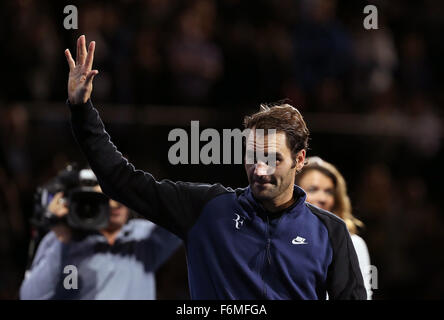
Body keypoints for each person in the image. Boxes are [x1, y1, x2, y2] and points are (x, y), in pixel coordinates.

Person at [64, 35, 365, 299]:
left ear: (299, 159)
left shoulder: (331, 231)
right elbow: (121, 180)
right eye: (252, 157)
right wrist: (82, 110)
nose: (260, 170)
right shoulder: (204, 208)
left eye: (273, 159)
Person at [20, 177, 182, 300]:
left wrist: (141, 189)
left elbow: (181, 220)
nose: (114, 204)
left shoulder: (143, 236)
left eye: (120, 195)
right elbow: (30, 296)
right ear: (88, 201)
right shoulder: (64, 239)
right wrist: (62, 240)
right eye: (106, 196)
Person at [295, 156, 373, 299]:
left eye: (329, 191)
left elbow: (361, 295)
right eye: (313, 189)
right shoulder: (275, 237)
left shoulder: (353, 243)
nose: (323, 198)